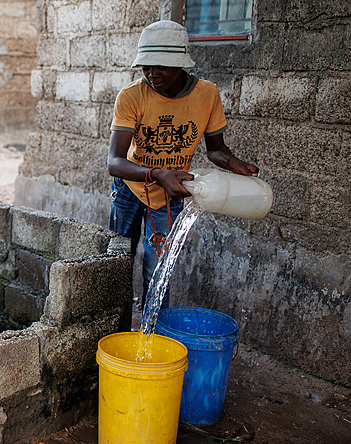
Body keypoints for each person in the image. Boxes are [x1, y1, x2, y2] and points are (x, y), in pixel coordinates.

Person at [106, 20, 258, 332]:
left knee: (158, 271)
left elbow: (216, 149)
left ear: (180, 64)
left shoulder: (206, 94)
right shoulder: (132, 96)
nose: (152, 75)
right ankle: (116, 334)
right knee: (117, 265)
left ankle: (151, 340)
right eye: (146, 67)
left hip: (170, 196)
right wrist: (156, 172)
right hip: (130, 191)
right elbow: (114, 161)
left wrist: (234, 163)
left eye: (161, 67)